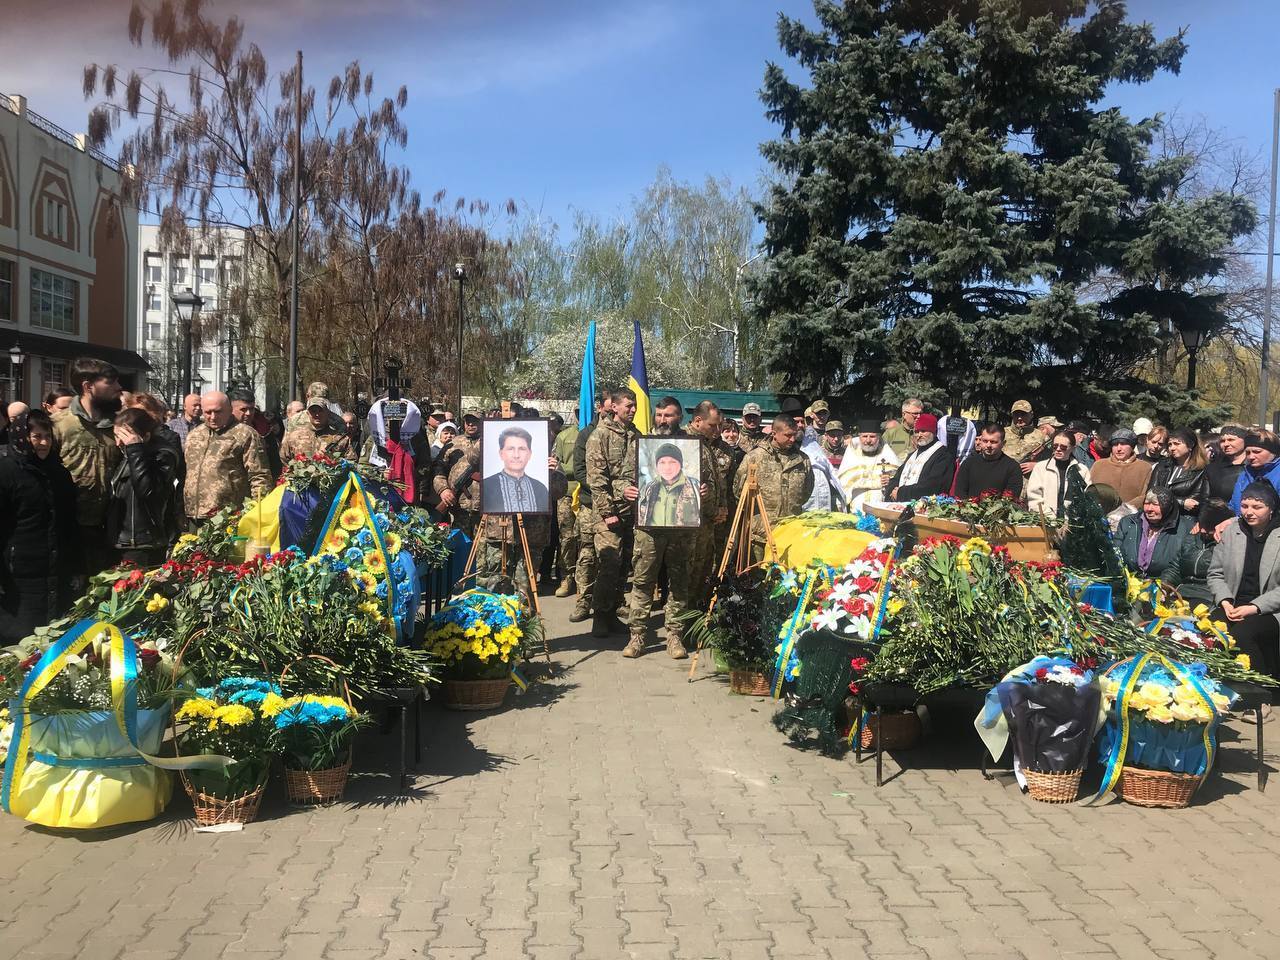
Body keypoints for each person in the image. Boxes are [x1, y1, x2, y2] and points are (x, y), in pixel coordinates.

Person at [0, 409, 81, 642]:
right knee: (21, 641)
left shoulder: (59, 473)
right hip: (20, 575)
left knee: (54, 640)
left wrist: (77, 566)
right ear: (22, 437)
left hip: (56, 570)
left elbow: (69, 523)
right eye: (36, 437)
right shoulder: (7, 472)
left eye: (48, 436)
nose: (43, 443)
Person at [53, 358, 125, 576]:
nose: (119, 388)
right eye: (110, 383)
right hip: (70, 526)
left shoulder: (119, 426)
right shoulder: (60, 424)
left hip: (110, 527)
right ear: (88, 387)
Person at [1208, 481, 1280, 682]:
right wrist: (1224, 600)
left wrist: (1254, 607)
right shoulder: (1233, 531)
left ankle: (1260, 693)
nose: (1249, 512)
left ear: (1271, 509)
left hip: (1269, 608)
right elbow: (1215, 573)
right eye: (1245, 506)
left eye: (1257, 507)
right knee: (1210, 629)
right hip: (1233, 602)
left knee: (1243, 633)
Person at [475, 453, 566, 603]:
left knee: (525, 592)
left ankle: (523, 623)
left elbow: (558, 493)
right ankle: (495, 624)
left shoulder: (543, 449)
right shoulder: (493, 444)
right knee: (496, 587)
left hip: (532, 535)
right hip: (500, 532)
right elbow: (474, 459)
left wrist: (554, 473)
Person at [586, 388, 640, 639]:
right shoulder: (600, 435)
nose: (632, 409)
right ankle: (599, 615)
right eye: (628, 405)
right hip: (608, 512)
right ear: (614, 407)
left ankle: (613, 612)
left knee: (624, 565)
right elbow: (596, 478)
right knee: (609, 563)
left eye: (634, 405)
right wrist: (608, 511)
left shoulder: (637, 436)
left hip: (632, 511)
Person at [183, 390, 272, 526]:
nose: (212, 417)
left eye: (218, 412)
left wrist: (257, 513)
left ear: (229, 410)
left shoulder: (245, 434)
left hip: (228, 516)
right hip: (194, 516)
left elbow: (260, 476)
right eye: (208, 412)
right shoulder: (194, 435)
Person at [107, 408, 182, 567]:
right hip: (120, 541)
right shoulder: (126, 455)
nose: (119, 443)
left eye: (125, 438)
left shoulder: (162, 455)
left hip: (144, 544)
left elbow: (148, 492)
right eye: (116, 436)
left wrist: (135, 449)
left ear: (146, 436)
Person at [734, 415, 813, 562]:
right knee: (758, 578)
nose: (792, 439)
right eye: (788, 435)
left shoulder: (803, 460)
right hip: (761, 533)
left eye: (794, 435)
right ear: (774, 434)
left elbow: (807, 491)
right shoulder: (755, 457)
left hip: (791, 530)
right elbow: (739, 491)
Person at [1117, 490, 1196, 587]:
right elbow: (1115, 553)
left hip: (1163, 587)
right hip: (1128, 584)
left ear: (1167, 506)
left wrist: (1164, 586)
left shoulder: (1186, 528)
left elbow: (1182, 566)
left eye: (1155, 504)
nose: (1149, 509)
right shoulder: (1128, 523)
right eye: (1146, 503)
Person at [432, 410, 483, 538]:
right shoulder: (452, 444)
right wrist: (443, 489)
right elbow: (438, 469)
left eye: (474, 421)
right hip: (459, 507)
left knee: (482, 552)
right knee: (460, 547)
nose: (470, 424)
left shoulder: (491, 443)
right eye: (467, 421)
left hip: (484, 509)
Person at [482, 426, 551, 513]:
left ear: (529, 454)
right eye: (510, 449)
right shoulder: (487, 486)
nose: (516, 455)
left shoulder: (540, 488)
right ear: (501, 453)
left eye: (522, 449)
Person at [887, 413, 954, 502]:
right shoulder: (912, 455)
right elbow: (897, 477)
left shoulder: (943, 456)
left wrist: (901, 493)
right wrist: (892, 491)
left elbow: (934, 485)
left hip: (923, 507)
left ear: (933, 432)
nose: (919, 435)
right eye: (917, 431)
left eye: (923, 431)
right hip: (898, 504)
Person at [837, 419, 900, 511]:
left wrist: (890, 480)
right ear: (859, 437)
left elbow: (898, 478)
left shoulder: (887, 455)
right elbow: (844, 482)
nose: (868, 440)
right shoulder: (852, 454)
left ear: (879, 437)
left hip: (880, 505)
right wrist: (877, 482)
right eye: (865, 436)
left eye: (872, 436)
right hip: (857, 506)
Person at [1027, 431, 1091, 518]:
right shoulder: (1040, 468)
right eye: (1055, 446)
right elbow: (1034, 498)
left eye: (1063, 447)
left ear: (1073, 448)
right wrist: (1049, 518)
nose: (1058, 449)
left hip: (1072, 524)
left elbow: (1086, 499)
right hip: (1045, 522)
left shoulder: (1082, 470)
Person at [1147, 427, 1207, 519]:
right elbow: (1150, 494)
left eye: (1177, 444)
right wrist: (1181, 502)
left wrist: (1162, 500)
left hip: (1184, 520)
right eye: (1170, 444)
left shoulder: (1201, 471)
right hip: (1159, 519)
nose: (1172, 448)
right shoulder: (1162, 466)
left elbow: (1194, 503)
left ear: (1190, 445)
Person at [1199, 425, 1248, 539]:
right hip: (1215, 526)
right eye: (1222, 440)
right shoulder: (1212, 468)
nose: (1226, 444)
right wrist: (1204, 521)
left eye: (1231, 439)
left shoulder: (1254, 468)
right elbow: (1204, 499)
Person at [1088, 428, 1153, 511]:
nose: (1119, 448)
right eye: (1115, 445)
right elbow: (1090, 491)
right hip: (1099, 516)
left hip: (1130, 518)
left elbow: (1146, 495)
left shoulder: (1144, 468)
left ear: (1132, 446)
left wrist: (1124, 510)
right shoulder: (1099, 465)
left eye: (1123, 444)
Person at [952, 423, 1022, 500]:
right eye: (985, 441)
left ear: (1003, 443)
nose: (988, 445)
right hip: (968, 509)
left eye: (993, 442)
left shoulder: (1012, 467)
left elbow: (1011, 498)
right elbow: (960, 492)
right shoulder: (968, 463)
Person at [552, 413, 581, 598]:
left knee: (586, 539)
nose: (581, 414)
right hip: (567, 493)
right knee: (567, 538)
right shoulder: (564, 436)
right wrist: (575, 469)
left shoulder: (595, 433)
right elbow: (556, 463)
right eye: (578, 412)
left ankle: (585, 580)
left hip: (589, 494)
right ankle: (567, 576)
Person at [281, 393, 354, 463]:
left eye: (320, 410)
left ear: (327, 412)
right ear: (307, 413)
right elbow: (283, 459)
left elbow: (351, 461)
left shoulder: (339, 438)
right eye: (313, 411)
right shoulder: (293, 437)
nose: (317, 414)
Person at [1226, 431, 1280, 517]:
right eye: (1248, 452)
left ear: (1273, 452)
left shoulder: (1277, 475)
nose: (1251, 457)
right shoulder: (1244, 475)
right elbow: (1233, 506)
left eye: (1257, 452)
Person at [801, 423, 847, 512]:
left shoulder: (847, 452)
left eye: (839, 435)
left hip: (841, 492)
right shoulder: (819, 452)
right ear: (826, 435)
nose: (836, 439)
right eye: (832, 436)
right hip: (825, 494)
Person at [1003, 400, 1046, 476]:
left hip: (1030, 483)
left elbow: (1052, 459)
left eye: (1023, 414)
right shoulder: (1002, 433)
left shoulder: (1041, 436)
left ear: (1031, 415)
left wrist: (1037, 465)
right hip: (1006, 481)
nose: (1019, 418)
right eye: (1016, 414)